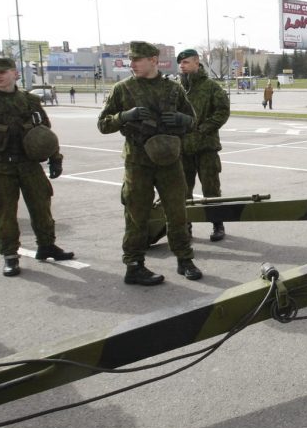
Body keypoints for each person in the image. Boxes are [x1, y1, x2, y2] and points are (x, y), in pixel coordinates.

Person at [98, 41, 201, 286]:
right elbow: (103, 124)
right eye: (130, 60)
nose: (131, 64)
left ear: (153, 60)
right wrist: (124, 116)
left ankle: (184, 259)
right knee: (136, 214)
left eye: (137, 60)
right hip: (138, 162)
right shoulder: (123, 89)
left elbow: (193, 121)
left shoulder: (173, 89)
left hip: (169, 160)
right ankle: (134, 265)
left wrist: (180, 118)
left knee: (177, 213)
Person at [0, 57, 73, 277]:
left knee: (42, 207)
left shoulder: (28, 100)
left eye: (3, 72)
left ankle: (46, 246)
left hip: (29, 165)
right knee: (5, 214)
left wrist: (55, 157)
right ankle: (10, 256)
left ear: (14, 73)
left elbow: (44, 131)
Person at [178, 49, 231, 242]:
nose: (182, 66)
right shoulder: (177, 88)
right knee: (183, 190)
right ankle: (186, 225)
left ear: (196, 63)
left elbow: (223, 111)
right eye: (180, 63)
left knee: (211, 188)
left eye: (185, 62)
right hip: (183, 148)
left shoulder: (210, 87)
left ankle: (218, 224)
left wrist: (204, 128)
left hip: (206, 147)